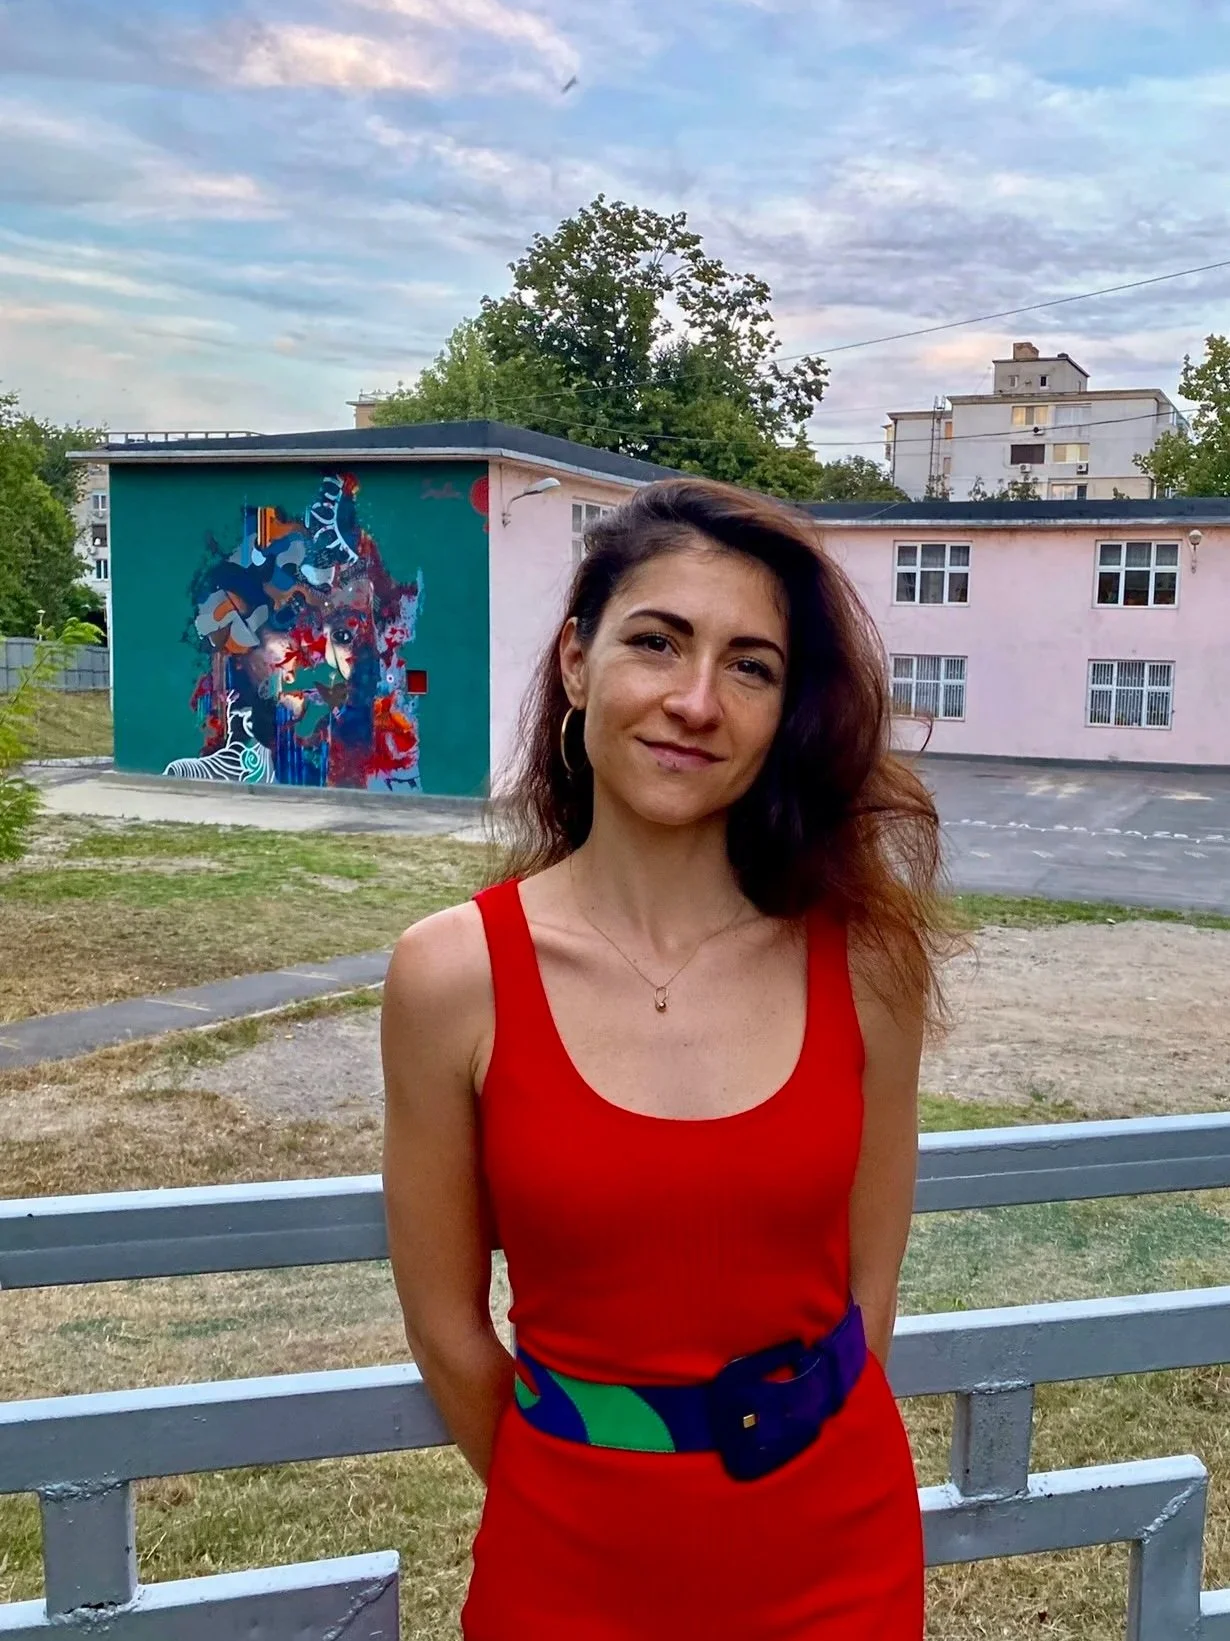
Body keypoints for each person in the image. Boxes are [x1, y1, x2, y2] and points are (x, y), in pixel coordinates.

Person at [381, 477, 957, 1638]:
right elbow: (448, 1331)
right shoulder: (452, 976)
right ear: (578, 661)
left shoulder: (866, 965)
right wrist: (588, 1484)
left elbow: (869, 1294)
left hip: (838, 1563)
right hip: (566, 1566)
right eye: (658, 642)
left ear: (785, 712)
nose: (696, 702)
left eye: (751, 667)